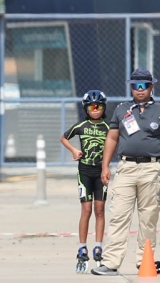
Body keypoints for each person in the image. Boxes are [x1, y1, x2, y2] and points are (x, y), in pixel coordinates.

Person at [91, 68, 160, 276]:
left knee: (148, 216)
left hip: (152, 168)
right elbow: (112, 138)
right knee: (119, 215)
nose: (139, 90)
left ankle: (144, 261)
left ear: (151, 87)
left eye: (144, 86)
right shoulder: (122, 109)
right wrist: (105, 166)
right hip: (126, 168)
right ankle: (111, 262)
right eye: (135, 86)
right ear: (131, 87)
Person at [60, 90, 109, 271]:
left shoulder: (108, 127)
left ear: (104, 108)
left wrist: (108, 164)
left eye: (99, 107)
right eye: (92, 107)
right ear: (86, 108)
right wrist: (73, 150)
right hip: (85, 172)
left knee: (100, 209)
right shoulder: (81, 125)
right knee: (86, 209)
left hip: (100, 173)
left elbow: (116, 142)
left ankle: (98, 245)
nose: (95, 110)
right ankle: (82, 246)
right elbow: (63, 137)